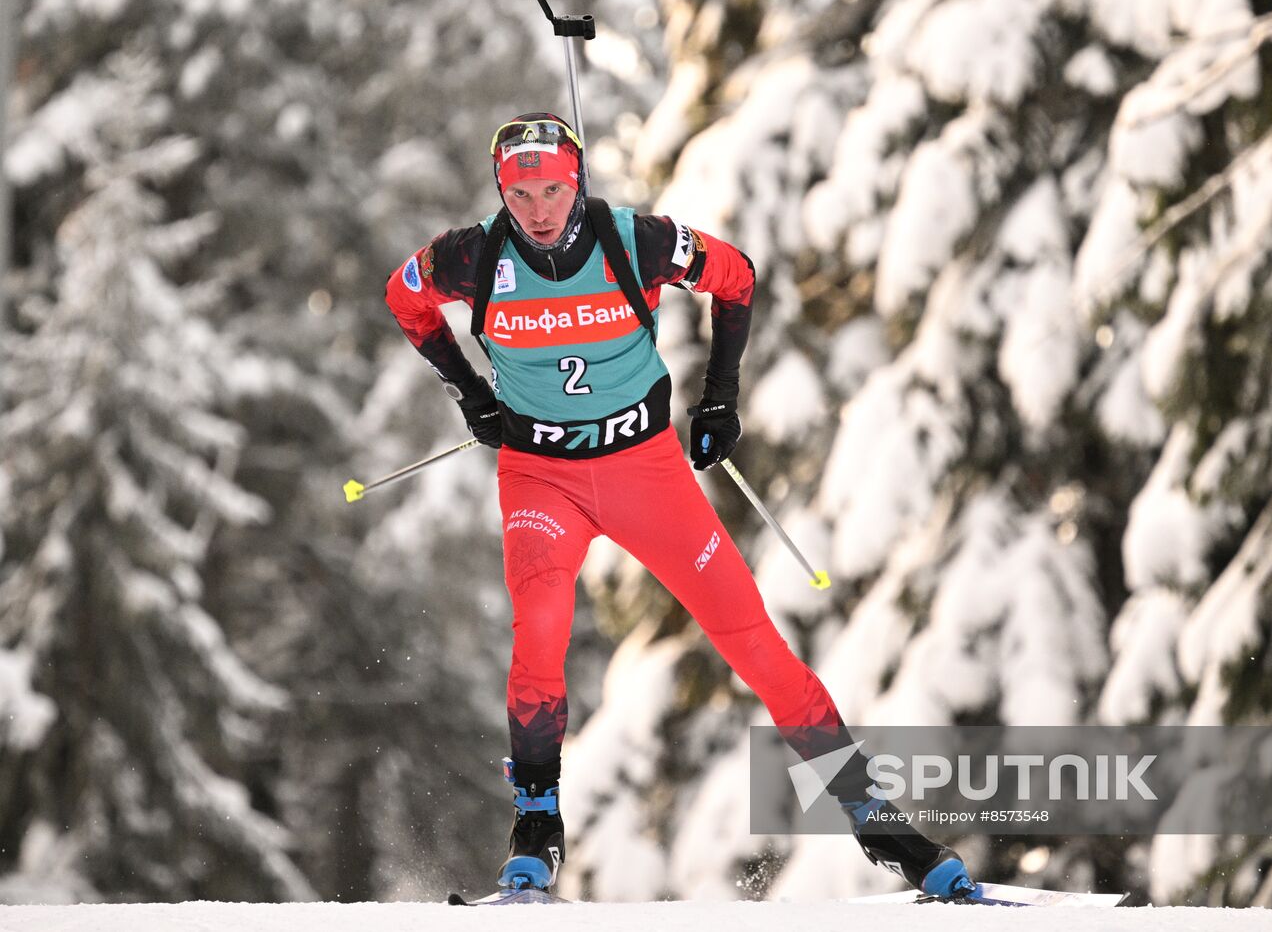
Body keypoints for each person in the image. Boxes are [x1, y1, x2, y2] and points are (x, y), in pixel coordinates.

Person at [383, 112, 975, 899]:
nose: (538, 208)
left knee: (753, 640)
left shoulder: (638, 242)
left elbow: (735, 276)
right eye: (520, 193)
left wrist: (720, 399)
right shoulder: (473, 255)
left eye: (554, 187)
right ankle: (535, 826)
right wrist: (469, 392)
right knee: (542, 625)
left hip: (646, 475)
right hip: (542, 480)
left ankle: (877, 820)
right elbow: (404, 297)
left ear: (578, 178)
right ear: (502, 191)